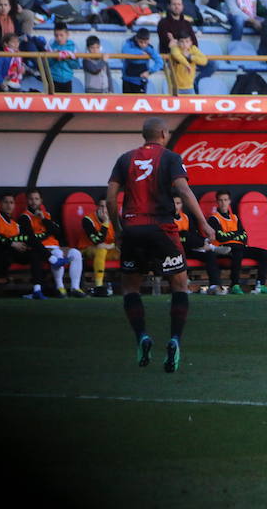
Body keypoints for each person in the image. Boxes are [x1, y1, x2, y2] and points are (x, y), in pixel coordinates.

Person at [106, 116, 216, 372]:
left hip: (132, 228)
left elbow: (111, 198)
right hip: (162, 229)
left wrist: (119, 229)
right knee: (179, 285)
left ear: (144, 135)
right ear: (164, 134)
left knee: (131, 288)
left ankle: (142, 336)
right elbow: (184, 190)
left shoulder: (125, 159)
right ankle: (175, 339)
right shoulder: (170, 157)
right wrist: (202, 222)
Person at [0, 192, 50, 299]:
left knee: (34, 254)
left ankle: (37, 290)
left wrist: (24, 245)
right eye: (6, 202)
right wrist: (12, 243)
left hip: (12, 252)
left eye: (11, 203)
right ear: (0, 204)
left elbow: (23, 237)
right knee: (5, 259)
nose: (9, 205)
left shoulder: (15, 224)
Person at [21, 188, 85, 298]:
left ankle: (75, 287)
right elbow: (31, 238)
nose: (34, 201)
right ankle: (60, 287)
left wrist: (44, 219)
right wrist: (47, 232)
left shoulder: (47, 215)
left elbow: (57, 232)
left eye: (36, 199)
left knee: (76, 253)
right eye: (31, 199)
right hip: (42, 249)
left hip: (55, 245)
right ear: (27, 200)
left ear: (41, 200)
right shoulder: (24, 217)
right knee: (58, 254)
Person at [207, 190, 267, 294]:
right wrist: (236, 234)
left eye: (225, 200)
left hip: (239, 247)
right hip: (223, 249)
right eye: (220, 200)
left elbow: (244, 236)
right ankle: (235, 285)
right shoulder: (213, 219)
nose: (223, 203)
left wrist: (231, 235)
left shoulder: (235, 217)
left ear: (229, 201)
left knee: (264, 253)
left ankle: (260, 285)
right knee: (238, 252)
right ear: (217, 202)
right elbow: (220, 237)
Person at [172, 194, 227, 295]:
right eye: (174, 203)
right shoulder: (167, 218)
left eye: (178, 203)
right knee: (183, 234)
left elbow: (194, 235)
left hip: (190, 248)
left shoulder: (186, 217)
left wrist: (198, 241)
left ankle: (214, 286)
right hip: (174, 250)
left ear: (182, 205)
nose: (176, 206)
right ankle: (208, 245)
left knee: (209, 255)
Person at [78, 196, 117, 296]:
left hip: (109, 248)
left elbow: (121, 239)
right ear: (97, 207)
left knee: (128, 249)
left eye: (107, 206)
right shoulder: (87, 220)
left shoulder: (115, 218)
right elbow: (97, 241)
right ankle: (99, 286)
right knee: (101, 249)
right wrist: (105, 223)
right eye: (102, 206)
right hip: (88, 249)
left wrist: (111, 246)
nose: (104, 210)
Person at [121, 28, 163, 93]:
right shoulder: (129, 43)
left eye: (145, 42)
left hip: (140, 81)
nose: (143, 45)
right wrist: (140, 52)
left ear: (148, 40)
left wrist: (149, 72)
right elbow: (124, 50)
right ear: (136, 39)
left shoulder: (149, 48)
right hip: (127, 80)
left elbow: (160, 62)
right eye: (141, 42)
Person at [169, 30, 207, 94]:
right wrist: (187, 64)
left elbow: (204, 60)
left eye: (187, 41)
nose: (184, 44)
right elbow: (177, 55)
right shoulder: (175, 49)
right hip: (176, 87)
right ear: (178, 43)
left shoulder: (193, 49)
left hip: (190, 87)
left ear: (191, 43)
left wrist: (190, 57)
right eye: (182, 42)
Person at [48, 22, 79, 93]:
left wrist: (66, 59)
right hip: (53, 80)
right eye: (56, 35)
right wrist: (54, 58)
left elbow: (76, 65)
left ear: (67, 35)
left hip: (67, 80)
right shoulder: (51, 46)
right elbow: (48, 64)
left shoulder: (73, 47)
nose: (59, 38)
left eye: (61, 35)